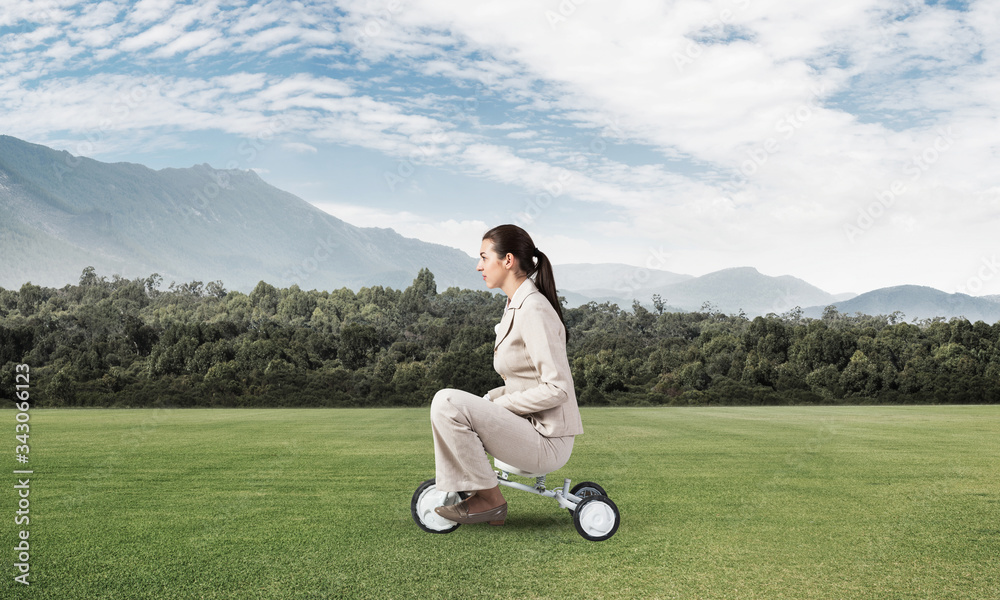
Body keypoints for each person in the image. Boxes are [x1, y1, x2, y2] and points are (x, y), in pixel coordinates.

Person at [430, 224, 583, 526]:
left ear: (508, 260)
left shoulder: (534, 309)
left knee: (446, 401)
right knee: (456, 403)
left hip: (546, 439)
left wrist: (500, 407)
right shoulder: (515, 305)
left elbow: (558, 388)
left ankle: (489, 499)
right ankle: (474, 490)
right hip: (530, 428)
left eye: (484, 257)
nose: (479, 266)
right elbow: (523, 382)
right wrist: (491, 400)